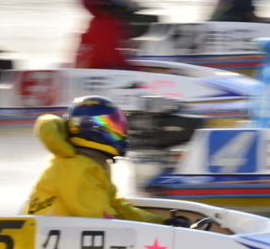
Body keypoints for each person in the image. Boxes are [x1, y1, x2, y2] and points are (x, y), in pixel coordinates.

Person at [24, 95, 168, 223]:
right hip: (49, 241)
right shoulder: (75, 166)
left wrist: (161, 222)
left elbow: (118, 207)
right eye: (110, 125)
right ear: (89, 126)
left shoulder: (88, 163)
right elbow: (101, 218)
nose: (118, 131)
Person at [73, 0, 145, 70]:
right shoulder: (105, 19)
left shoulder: (111, 16)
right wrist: (131, 69)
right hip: (98, 70)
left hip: (98, 68)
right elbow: (109, 55)